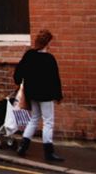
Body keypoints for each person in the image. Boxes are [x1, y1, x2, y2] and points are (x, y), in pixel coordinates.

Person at [14, 28, 64, 161]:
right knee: (48, 122)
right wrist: (58, 96)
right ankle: (49, 152)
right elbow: (55, 80)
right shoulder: (49, 59)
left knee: (34, 119)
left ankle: (22, 147)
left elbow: (18, 72)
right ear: (47, 43)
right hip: (46, 96)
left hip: (32, 94)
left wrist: (19, 83)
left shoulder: (29, 55)